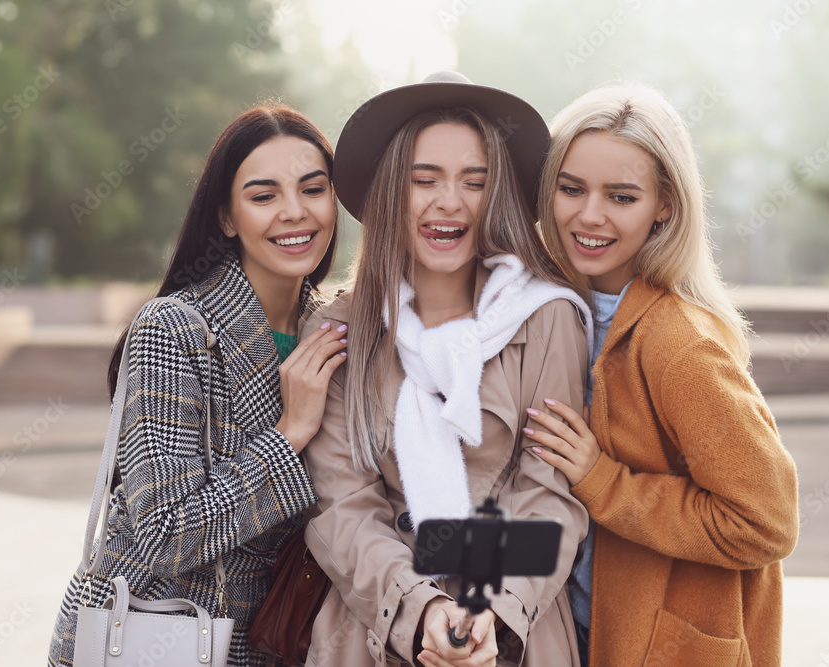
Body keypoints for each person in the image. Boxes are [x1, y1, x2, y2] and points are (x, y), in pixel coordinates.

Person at [300, 71, 591, 667]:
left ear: (497, 195)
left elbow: (551, 500)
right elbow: (340, 508)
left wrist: (489, 612)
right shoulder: (340, 330)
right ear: (389, 192)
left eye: (474, 181)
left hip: (512, 629)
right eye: (424, 180)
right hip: (375, 626)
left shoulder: (546, 319)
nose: (449, 202)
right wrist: (423, 613)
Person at [47, 104, 348, 667]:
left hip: (273, 643)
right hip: (155, 637)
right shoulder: (177, 329)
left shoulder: (335, 332)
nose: (294, 212)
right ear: (228, 218)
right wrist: (290, 433)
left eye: (313, 189)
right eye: (263, 196)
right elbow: (163, 536)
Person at [525, 84, 799, 667]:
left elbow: (766, 523)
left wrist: (605, 482)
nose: (589, 215)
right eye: (571, 189)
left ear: (665, 205)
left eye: (621, 197)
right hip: (570, 636)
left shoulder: (679, 344)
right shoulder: (549, 312)